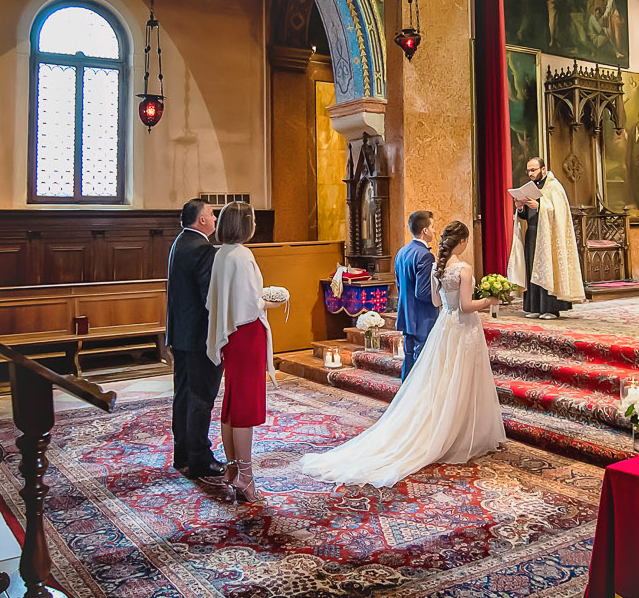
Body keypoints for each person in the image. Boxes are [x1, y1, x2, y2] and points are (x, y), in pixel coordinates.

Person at [300, 220, 507, 487]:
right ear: (463, 242)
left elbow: (436, 301)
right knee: (464, 378)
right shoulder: (464, 269)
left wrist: (453, 300)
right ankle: (463, 435)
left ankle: (449, 429)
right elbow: (467, 306)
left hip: (444, 327)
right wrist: (489, 301)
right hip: (464, 329)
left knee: (445, 379)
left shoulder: (438, 266)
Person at [206, 203, 287, 503]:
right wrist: (273, 303)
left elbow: (224, 300)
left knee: (232, 399)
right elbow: (252, 304)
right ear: (246, 225)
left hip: (231, 337)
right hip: (247, 333)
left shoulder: (221, 254)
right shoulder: (243, 255)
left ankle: (231, 468)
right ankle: (245, 475)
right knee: (246, 405)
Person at [166, 197, 223, 479]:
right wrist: (221, 334)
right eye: (211, 214)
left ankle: (183, 454)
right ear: (201, 219)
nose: (214, 219)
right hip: (199, 337)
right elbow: (209, 298)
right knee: (201, 397)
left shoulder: (180, 242)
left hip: (182, 334)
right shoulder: (202, 249)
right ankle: (201, 458)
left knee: (184, 395)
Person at [506, 156, 584, 318]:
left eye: (533, 170)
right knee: (532, 269)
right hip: (533, 233)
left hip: (549, 236)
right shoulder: (531, 187)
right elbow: (526, 216)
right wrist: (521, 208)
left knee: (547, 268)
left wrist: (540, 206)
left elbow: (559, 213)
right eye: (528, 170)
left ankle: (551, 308)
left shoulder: (554, 187)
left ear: (543, 169)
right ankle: (535, 307)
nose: (530, 173)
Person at [394, 209, 439, 379]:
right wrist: (441, 299)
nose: (434, 231)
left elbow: (399, 286)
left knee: (409, 359)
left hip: (406, 313)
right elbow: (423, 292)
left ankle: (406, 397)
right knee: (422, 361)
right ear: (425, 230)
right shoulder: (426, 256)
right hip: (423, 316)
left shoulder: (401, 252)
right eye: (433, 227)